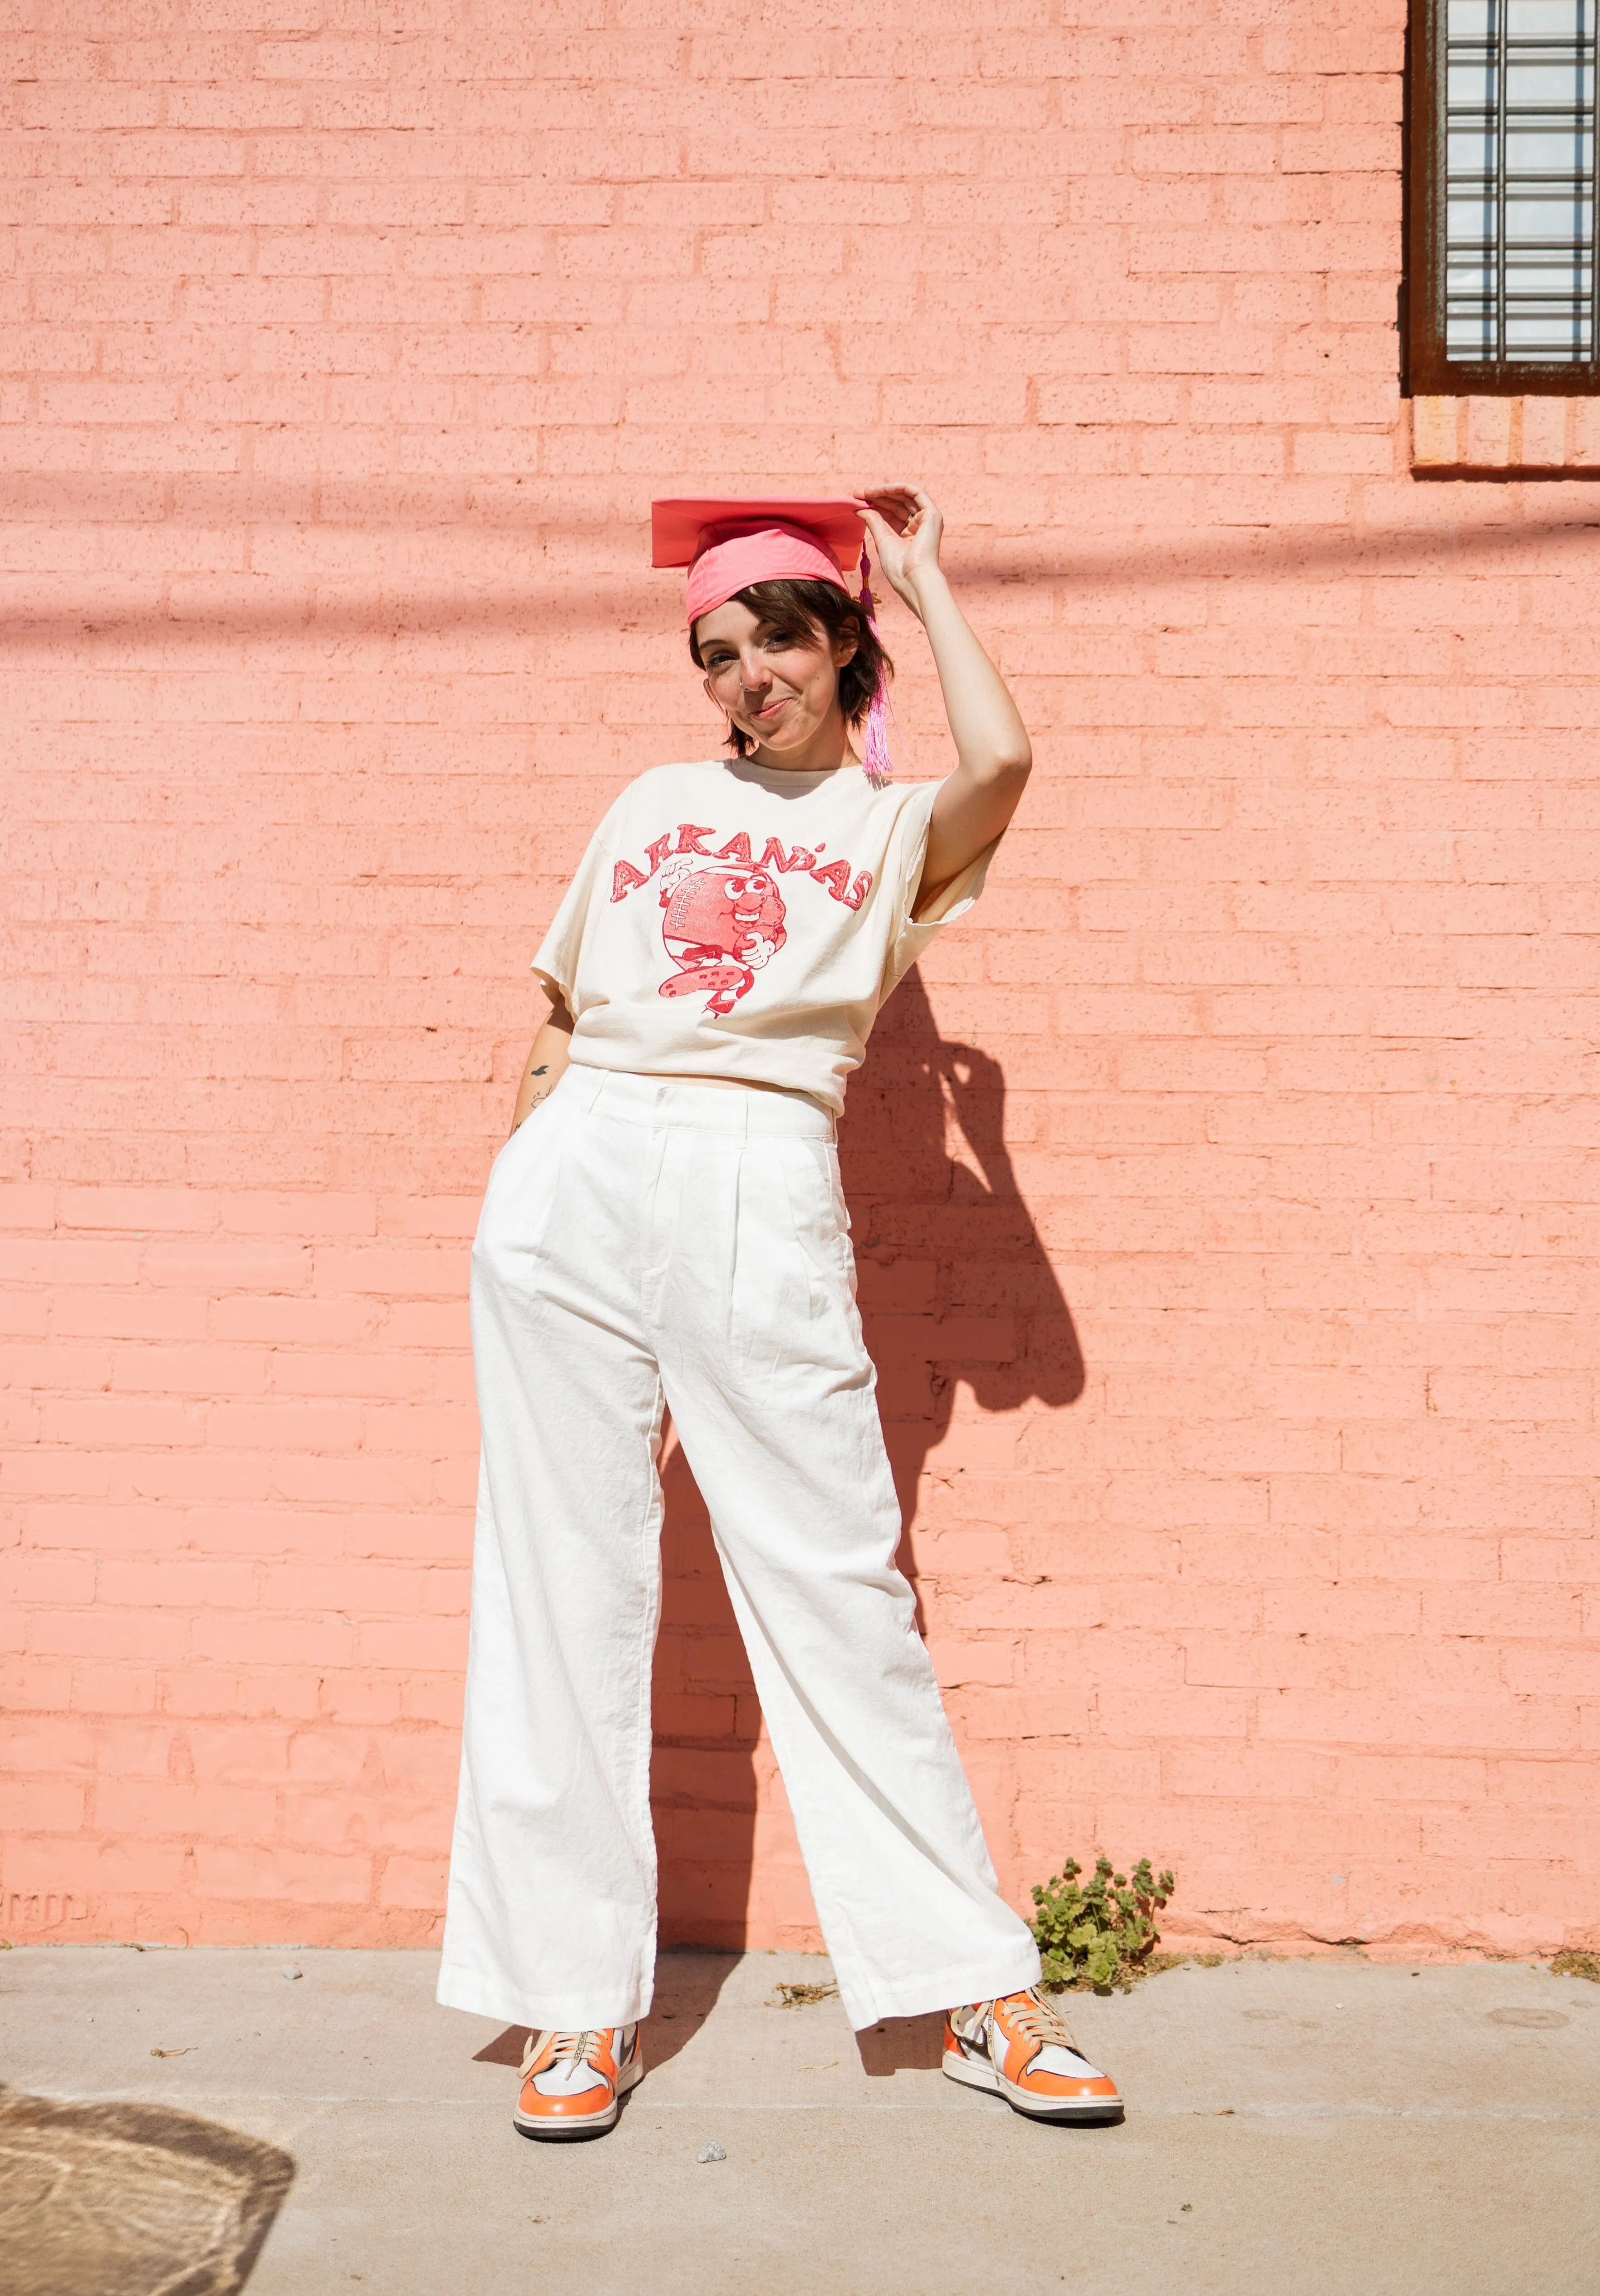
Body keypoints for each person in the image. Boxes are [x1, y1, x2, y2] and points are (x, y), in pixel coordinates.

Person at [437, 487, 1122, 2139]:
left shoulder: (887, 830)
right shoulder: (652, 800)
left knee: (837, 1592)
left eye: (775, 641)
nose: (744, 676)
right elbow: (556, 1011)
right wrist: (522, 1184)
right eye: (716, 653)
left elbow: (1006, 766)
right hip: (579, 1169)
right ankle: (574, 2007)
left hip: (758, 1162)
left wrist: (931, 583)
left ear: (838, 647)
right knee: (559, 1586)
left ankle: (977, 1994)